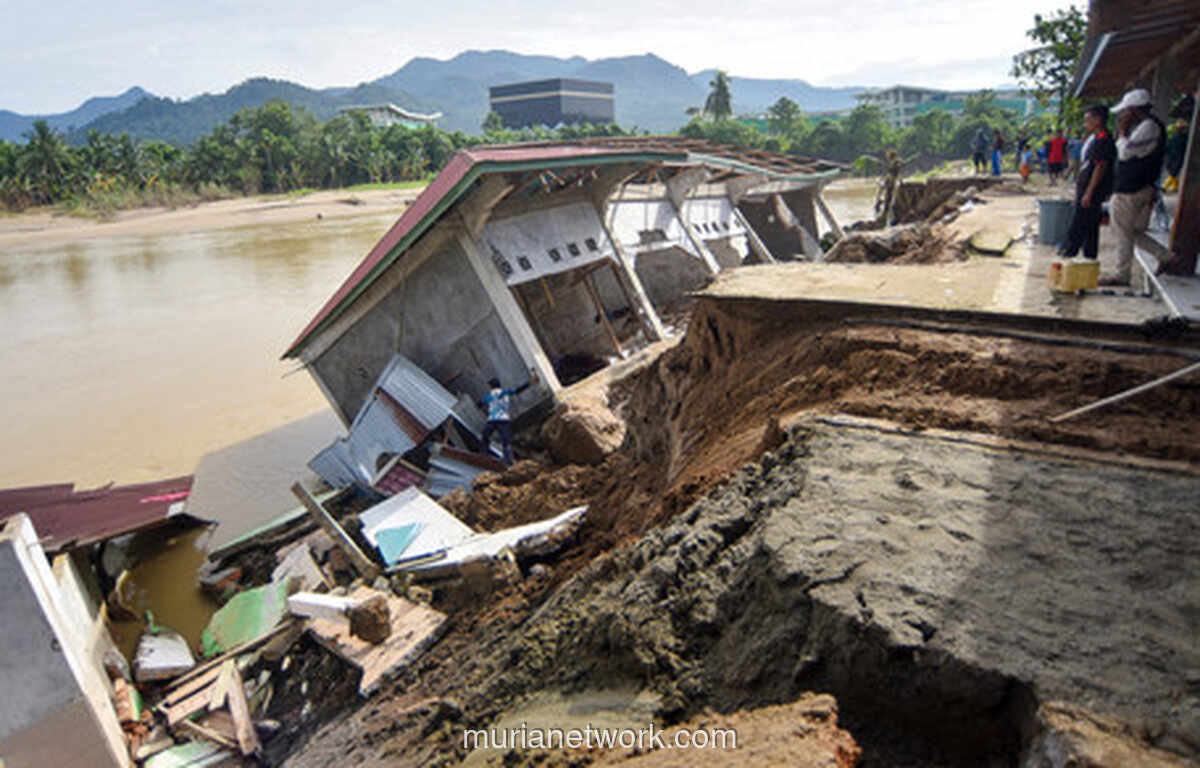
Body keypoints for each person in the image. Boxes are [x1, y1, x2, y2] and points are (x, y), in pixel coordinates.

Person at [1106, 88, 1166, 285]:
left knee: (1123, 232)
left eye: (1126, 111)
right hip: (1138, 186)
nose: (1122, 115)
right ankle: (1164, 255)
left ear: (1134, 109)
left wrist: (1122, 133)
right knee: (1130, 232)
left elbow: (1124, 153)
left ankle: (1122, 275)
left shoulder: (1148, 127)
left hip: (1131, 188)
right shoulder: (1147, 126)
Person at [1059, 105, 1116, 262]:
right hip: (1086, 188)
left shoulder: (1104, 140)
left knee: (1079, 224)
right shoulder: (1096, 139)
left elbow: (1100, 167)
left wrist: (1089, 192)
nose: (1085, 124)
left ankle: (1069, 254)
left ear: (1098, 120)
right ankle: (1089, 257)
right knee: (1091, 225)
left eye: (1087, 120)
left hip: (1092, 190)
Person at [479, 374, 537, 465]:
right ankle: (508, 461)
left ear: (491, 386)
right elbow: (518, 390)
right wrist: (530, 382)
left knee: (485, 436)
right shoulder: (506, 392)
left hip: (492, 420)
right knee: (506, 442)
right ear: (499, 385)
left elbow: (480, 403)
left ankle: (484, 455)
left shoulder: (489, 396)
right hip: (503, 420)